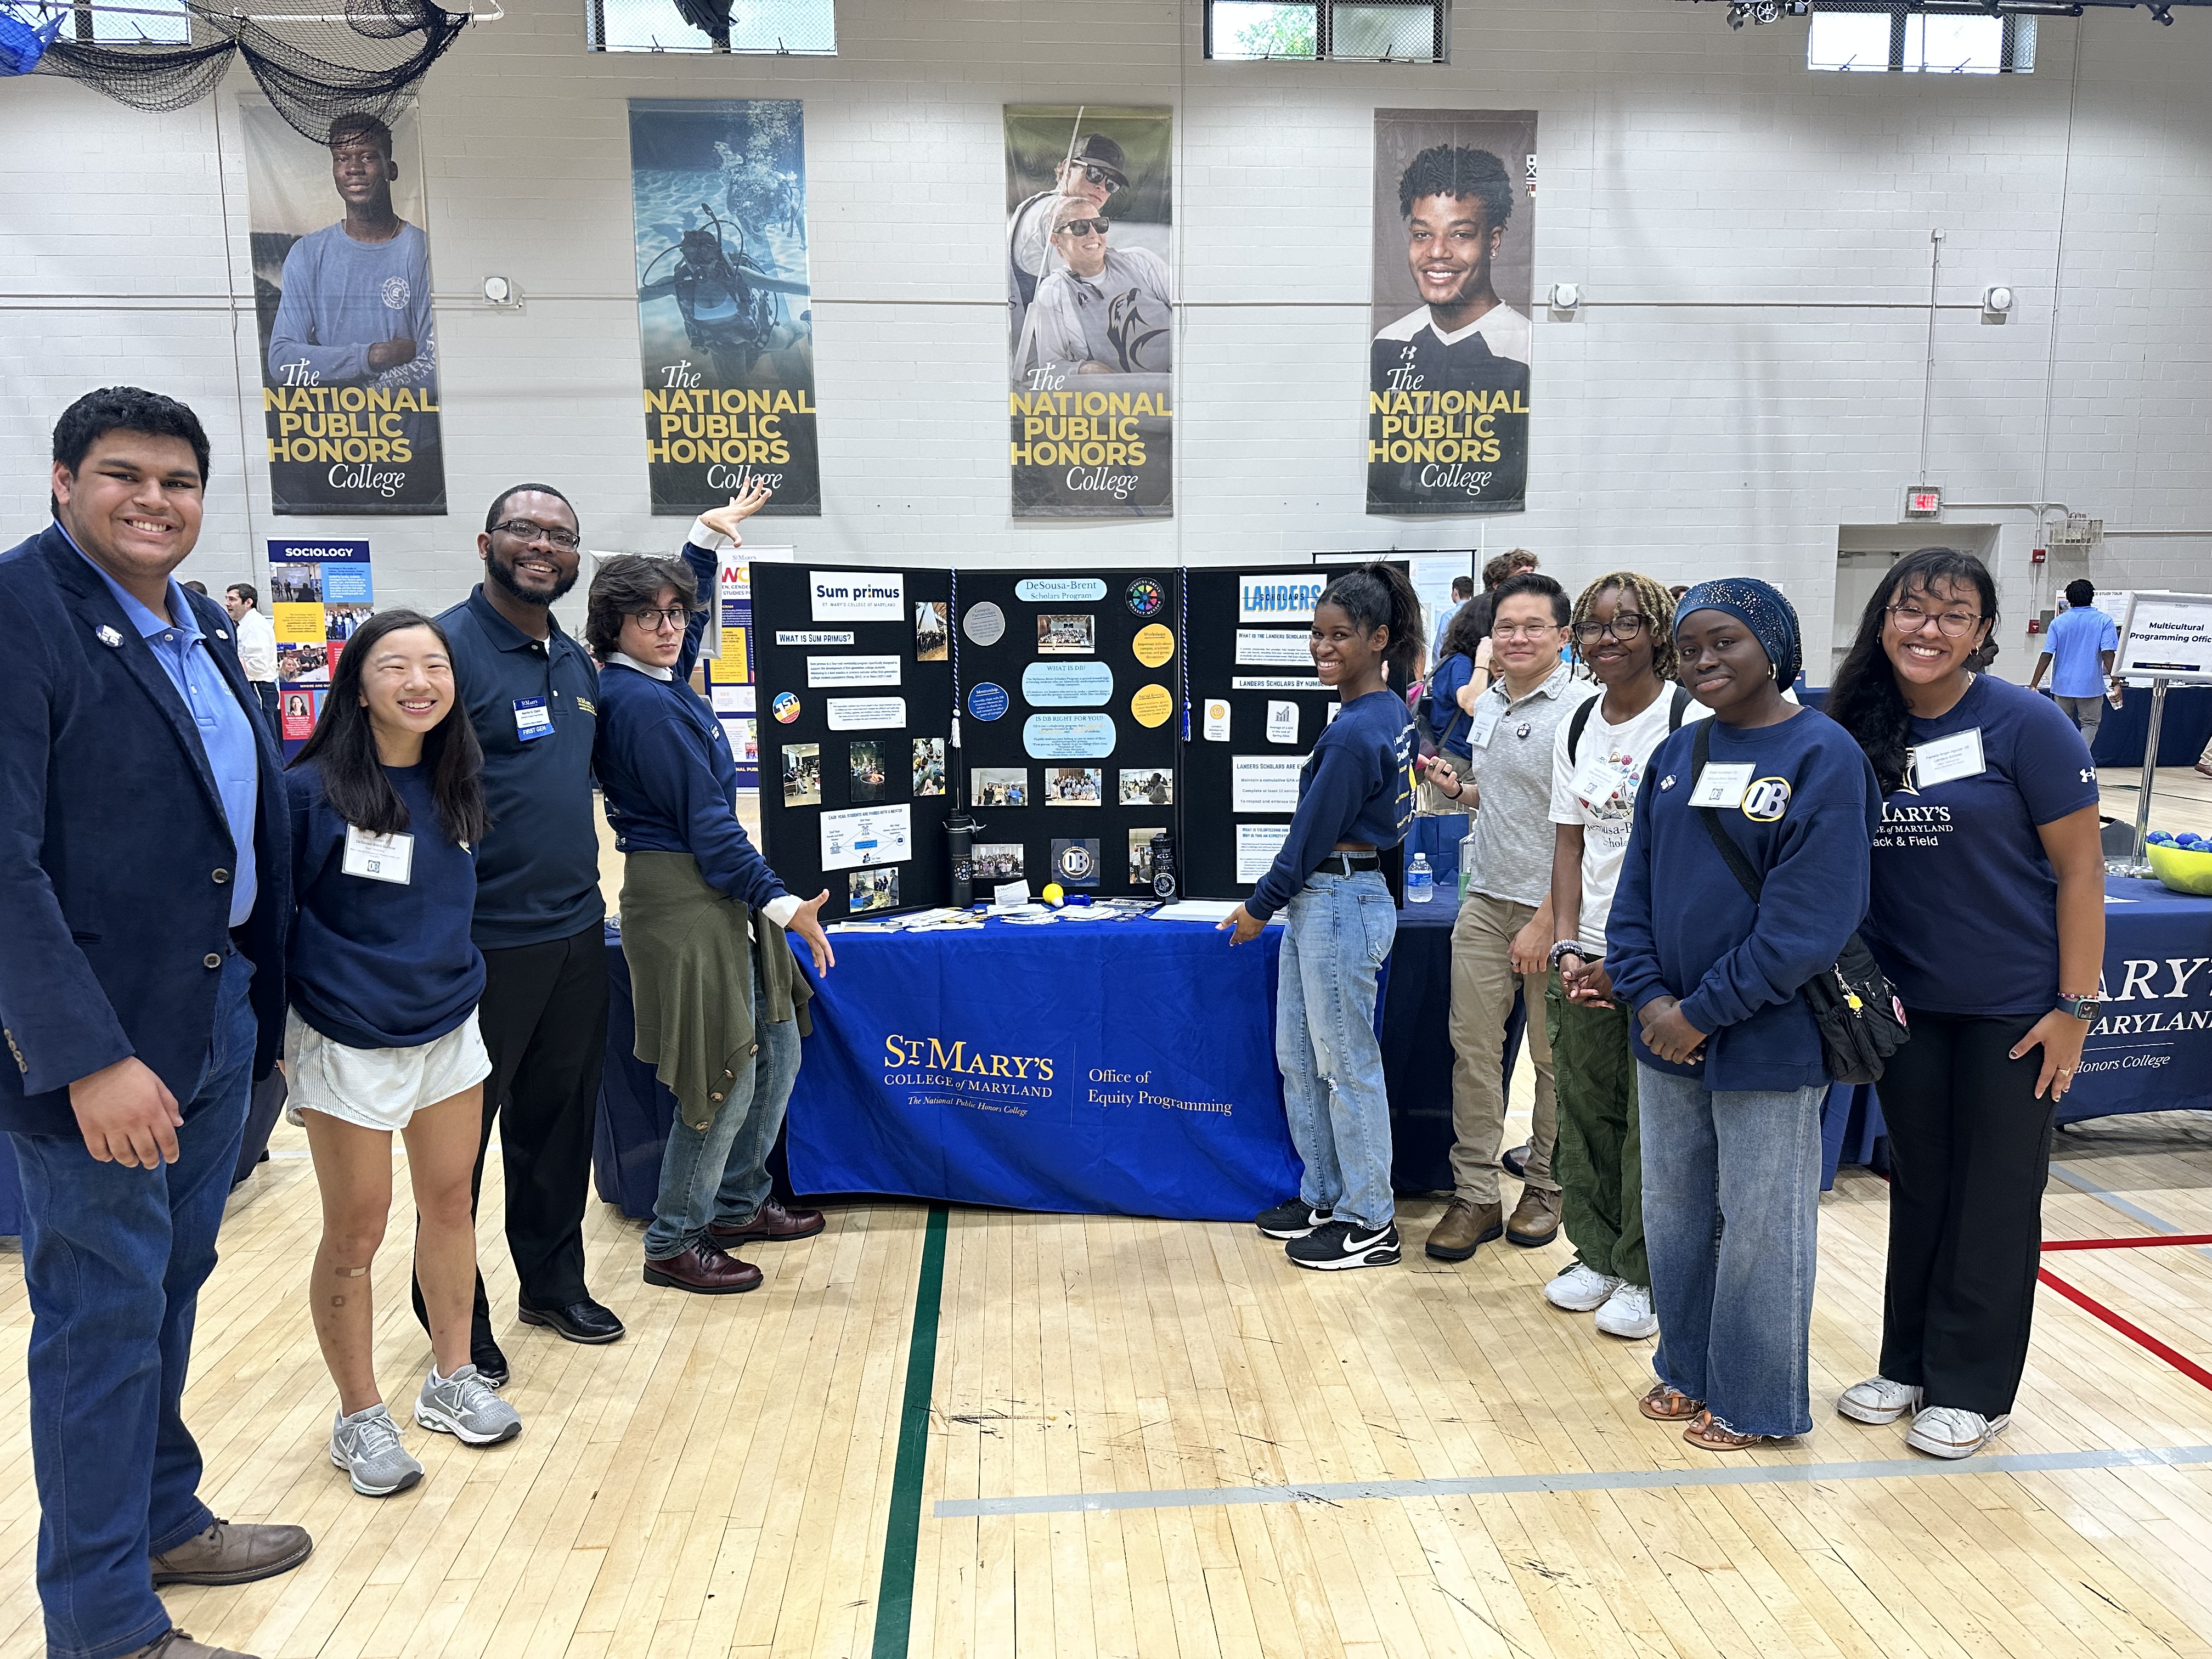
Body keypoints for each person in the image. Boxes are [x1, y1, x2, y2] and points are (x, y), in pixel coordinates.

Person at [1, 387, 309, 1659]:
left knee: (173, 1285)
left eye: (178, 481)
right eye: (123, 474)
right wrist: (86, 1058)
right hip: (105, 1051)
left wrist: (263, 1007)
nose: (154, 500)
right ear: (64, 481)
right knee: (103, 1316)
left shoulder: (191, 622)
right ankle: (104, 1620)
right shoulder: (23, 615)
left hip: (214, 1008)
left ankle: (163, 1515)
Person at [1826, 548, 2105, 1459]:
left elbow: (2080, 870)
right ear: (1882, 621)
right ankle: (1906, 1363)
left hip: (2013, 1011)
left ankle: (1974, 1387)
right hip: (1904, 1009)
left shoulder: (2027, 726)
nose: (1928, 629)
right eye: (1911, 610)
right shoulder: (1854, 724)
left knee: (1992, 1198)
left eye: (1953, 614)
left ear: (1984, 632)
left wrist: (2073, 1004)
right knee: (1924, 1187)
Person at [1607, 579, 1880, 1451]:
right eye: (1688, 649)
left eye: (1724, 642)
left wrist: (1703, 1011)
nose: (1703, 662)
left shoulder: (1823, 756)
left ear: (1774, 645)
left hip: (1769, 1036)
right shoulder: (1675, 757)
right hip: (1666, 1038)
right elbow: (1634, 897)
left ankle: (1759, 1402)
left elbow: (1809, 924)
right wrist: (1651, 1000)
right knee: (1679, 1214)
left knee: (1764, 1228)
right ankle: (1686, 1370)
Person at [287, 608, 522, 1497]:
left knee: (449, 1203)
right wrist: (279, 1039)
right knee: (357, 1229)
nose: (419, 680)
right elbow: (275, 918)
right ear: (357, 682)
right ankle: (358, 1415)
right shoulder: (309, 791)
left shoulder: (457, 780)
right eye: (396, 665)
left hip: (449, 1027)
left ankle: (451, 1375)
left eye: (435, 664)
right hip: (347, 1037)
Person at [592, 483, 837, 1294]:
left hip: (714, 888)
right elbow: (710, 828)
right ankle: (675, 1240)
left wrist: (706, 535)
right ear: (614, 627)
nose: (669, 628)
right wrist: (783, 905)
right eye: (649, 616)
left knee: (778, 1043)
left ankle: (738, 1201)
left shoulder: (656, 677)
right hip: (682, 894)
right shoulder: (644, 708)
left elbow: (691, 630)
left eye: (674, 612)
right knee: (721, 1073)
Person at [427, 483, 625, 1381]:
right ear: (485, 541)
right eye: (525, 530)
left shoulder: (575, 663)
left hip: (578, 931)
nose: (542, 545)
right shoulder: (440, 651)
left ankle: (551, 1282)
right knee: (456, 1148)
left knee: (558, 1126)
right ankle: (452, 1314)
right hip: (477, 947)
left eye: (561, 535)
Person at [1222, 562, 1421, 1271]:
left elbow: (1310, 837)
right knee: (1302, 1060)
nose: (1322, 646)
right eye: (1316, 633)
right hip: (1333, 900)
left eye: (1340, 635)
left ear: (1378, 639)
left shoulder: (1354, 733)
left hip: (1338, 899)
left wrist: (1256, 908)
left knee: (1346, 1067)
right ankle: (1326, 1195)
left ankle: (1371, 1221)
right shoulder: (1382, 713)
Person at [1542, 572, 1701, 1341]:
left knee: (1654, 1125)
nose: (1610, 638)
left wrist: (1634, 959)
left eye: (1628, 623)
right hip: (1589, 948)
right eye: (1596, 625)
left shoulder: (1688, 718)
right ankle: (1598, 1252)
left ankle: (1647, 1271)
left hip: (1659, 957)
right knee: (1586, 1111)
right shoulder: (1577, 722)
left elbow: (1696, 856)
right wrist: (1569, 943)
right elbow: (1569, 843)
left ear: (1659, 631)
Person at [1423, 572, 1591, 1261]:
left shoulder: (1582, 711)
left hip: (1553, 909)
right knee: (1473, 1052)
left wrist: (1549, 919)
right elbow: (1500, 798)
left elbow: (1584, 827)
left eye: (1534, 627)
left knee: (1552, 1060)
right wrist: (1460, 790)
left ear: (1563, 636)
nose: (1518, 638)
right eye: (1507, 627)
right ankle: (1476, 1194)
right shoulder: (1489, 703)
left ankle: (1547, 1187)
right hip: (1486, 900)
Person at [1369, 146, 1531, 508]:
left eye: (1460, 234)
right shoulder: (1387, 343)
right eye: (1422, 234)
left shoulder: (1527, 345)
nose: (1437, 252)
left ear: (1493, 242)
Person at [268, 112, 436, 395]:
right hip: (331, 438)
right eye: (342, 159)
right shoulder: (308, 254)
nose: (353, 168)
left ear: (390, 170)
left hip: (411, 438)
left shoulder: (422, 251)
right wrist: (372, 356)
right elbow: (282, 362)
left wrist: (362, 390)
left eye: (368, 157)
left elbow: (435, 366)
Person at [1025, 194, 1172, 376]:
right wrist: (1082, 370)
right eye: (1080, 227)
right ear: (1056, 240)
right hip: (1122, 398)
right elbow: (1051, 367)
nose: (1093, 234)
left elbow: (1191, 313)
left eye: (1099, 225)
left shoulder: (1141, 261)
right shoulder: (1053, 292)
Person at [1008, 131, 1128, 322]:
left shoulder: (1031, 203)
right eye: (1095, 174)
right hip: (1044, 346)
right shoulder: (1067, 212)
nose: (1102, 187)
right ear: (1068, 168)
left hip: (1017, 339)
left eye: (1112, 184)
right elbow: (1080, 300)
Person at [2029, 579, 2119, 752]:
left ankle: (2063, 760)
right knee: (2090, 724)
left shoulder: (2059, 622)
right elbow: (2108, 653)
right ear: (2092, 597)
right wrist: (2116, 683)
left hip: (2062, 685)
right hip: (2091, 685)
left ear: (2069, 599)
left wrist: (2034, 684)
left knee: (2062, 725)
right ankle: (2081, 758)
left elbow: (2047, 654)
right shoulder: (2104, 621)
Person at [226, 580, 282, 731]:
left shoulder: (255, 625)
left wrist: (237, 675)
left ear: (248, 602)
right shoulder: (246, 624)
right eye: (227, 599)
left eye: (232, 600)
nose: (227, 604)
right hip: (257, 686)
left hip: (259, 687)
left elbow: (258, 664)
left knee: (267, 739)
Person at [1430, 573, 1475, 667]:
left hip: (1452, 664)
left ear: (1455, 591)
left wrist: (1437, 667)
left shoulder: (1448, 616)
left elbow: (1440, 645)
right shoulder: (1478, 613)